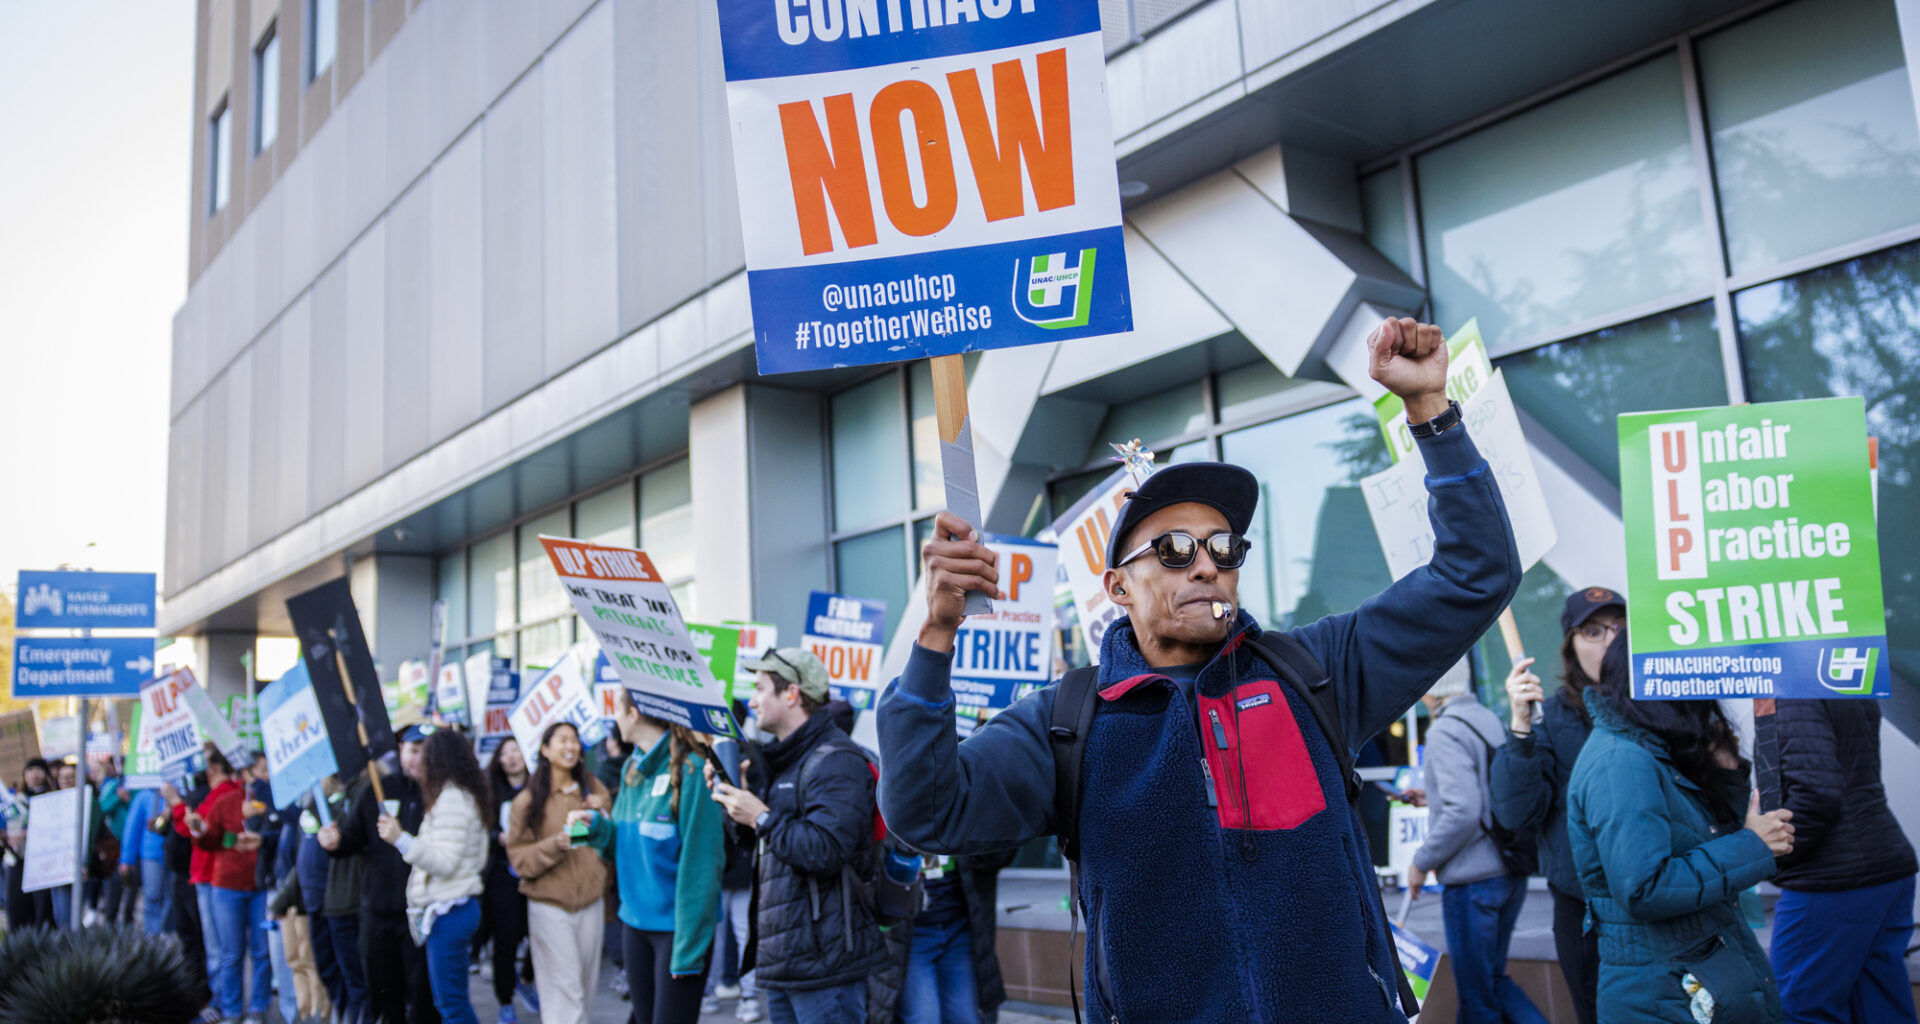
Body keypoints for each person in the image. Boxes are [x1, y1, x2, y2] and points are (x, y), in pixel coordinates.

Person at [877, 317, 1518, 1022]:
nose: (1207, 565)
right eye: (1175, 549)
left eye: (1224, 547)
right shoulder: (1066, 725)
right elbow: (925, 811)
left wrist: (1430, 410)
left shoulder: (1313, 673)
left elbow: (1476, 575)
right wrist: (935, 636)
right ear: (1119, 588)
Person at [1567, 636, 1795, 1023]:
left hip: (1687, 973)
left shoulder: (1650, 749)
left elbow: (1702, 842)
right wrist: (1752, 846)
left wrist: (1725, 775)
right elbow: (1645, 887)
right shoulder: (1622, 762)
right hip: (1662, 990)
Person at [710, 648, 884, 1024]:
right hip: (787, 958)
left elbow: (826, 850)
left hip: (825, 965)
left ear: (791, 694)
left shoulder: (837, 760)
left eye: (760, 689)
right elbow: (768, 847)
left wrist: (761, 816)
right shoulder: (788, 759)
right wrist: (736, 803)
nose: (751, 701)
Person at [1489, 587, 1622, 1024]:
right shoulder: (1550, 717)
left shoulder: (1663, 706)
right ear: (1570, 645)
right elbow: (1516, 812)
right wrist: (1521, 727)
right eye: (1593, 631)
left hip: (1656, 901)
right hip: (1584, 912)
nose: (1610, 641)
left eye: (1620, 628)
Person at [1405, 662, 1546, 1024]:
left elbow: (1463, 812)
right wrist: (1433, 796)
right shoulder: (1487, 718)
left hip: (1472, 883)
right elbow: (1488, 791)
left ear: (1431, 686)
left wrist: (1421, 862)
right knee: (1494, 983)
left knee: (1477, 1000)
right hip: (1507, 872)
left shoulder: (1444, 731)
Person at [1768, 697, 1919, 1023]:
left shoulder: (1794, 691)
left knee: (1797, 1009)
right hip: (1885, 865)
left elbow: (1816, 793)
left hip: (1832, 878)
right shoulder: (1837, 679)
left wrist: (1772, 855)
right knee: (1879, 1008)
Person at [587, 691, 726, 1024]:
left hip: (678, 934)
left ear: (634, 713)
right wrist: (595, 828)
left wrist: (689, 950)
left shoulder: (693, 770)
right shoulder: (632, 769)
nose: (614, 719)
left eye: (617, 710)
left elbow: (702, 866)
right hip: (634, 925)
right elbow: (621, 847)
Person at [320, 732, 437, 1024]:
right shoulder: (379, 789)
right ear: (401, 750)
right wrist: (334, 842)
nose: (419, 758)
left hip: (423, 914)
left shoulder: (443, 795)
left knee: (423, 997)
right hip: (377, 913)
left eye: (426, 751)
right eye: (413, 750)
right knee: (383, 996)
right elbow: (352, 838)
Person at [379, 726, 489, 1024]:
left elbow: (445, 863)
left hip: (449, 911)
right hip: (451, 909)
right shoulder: (458, 795)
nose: (419, 761)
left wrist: (401, 839)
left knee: (451, 1005)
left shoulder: (452, 799)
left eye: (426, 755)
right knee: (450, 1002)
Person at [504, 722, 612, 1024]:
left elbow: (612, 833)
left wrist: (602, 808)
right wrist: (554, 845)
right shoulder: (527, 801)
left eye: (574, 740)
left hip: (591, 902)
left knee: (585, 989)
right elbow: (519, 859)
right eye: (562, 740)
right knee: (566, 991)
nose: (570, 746)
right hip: (550, 906)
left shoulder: (593, 789)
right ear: (545, 750)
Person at [873, 848, 1020, 1024]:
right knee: (923, 1018)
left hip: (960, 926)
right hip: (909, 934)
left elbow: (998, 856)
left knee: (966, 1018)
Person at [192, 747, 273, 1024]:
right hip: (227, 887)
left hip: (261, 886)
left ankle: (258, 1008)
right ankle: (231, 1010)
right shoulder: (225, 801)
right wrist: (199, 830)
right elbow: (209, 841)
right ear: (245, 773)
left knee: (262, 951)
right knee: (231, 952)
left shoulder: (273, 801)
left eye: (267, 771)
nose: (262, 777)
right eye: (259, 771)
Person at [481, 736, 538, 1021]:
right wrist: (498, 837)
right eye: (504, 753)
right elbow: (481, 831)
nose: (511, 757)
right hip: (503, 875)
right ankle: (505, 1001)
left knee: (540, 935)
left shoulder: (539, 789)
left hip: (536, 872)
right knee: (505, 940)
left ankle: (525, 980)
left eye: (516, 750)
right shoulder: (491, 793)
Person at [174, 758, 233, 1013]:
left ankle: (223, 1003)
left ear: (216, 767)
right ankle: (222, 1002)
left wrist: (177, 806)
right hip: (206, 877)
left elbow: (193, 829)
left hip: (212, 877)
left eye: (206, 763)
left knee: (219, 948)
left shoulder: (223, 793)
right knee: (217, 946)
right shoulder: (214, 794)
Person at [5, 758, 56, 930]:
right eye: (30, 770)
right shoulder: (15, 801)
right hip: (17, 859)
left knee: (43, 907)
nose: (34, 774)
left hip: (43, 862)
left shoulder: (53, 798)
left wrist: (27, 833)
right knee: (17, 906)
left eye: (38, 770)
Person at [121, 781, 174, 933]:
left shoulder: (178, 793)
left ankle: (168, 934)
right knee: (152, 896)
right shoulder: (144, 796)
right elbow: (132, 828)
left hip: (175, 855)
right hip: (152, 854)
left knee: (172, 898)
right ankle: (152, 936)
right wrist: (127, 859)